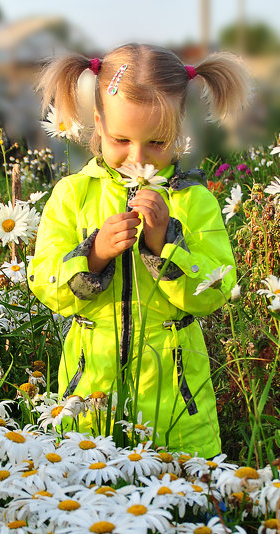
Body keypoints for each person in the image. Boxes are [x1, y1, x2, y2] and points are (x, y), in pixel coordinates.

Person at [27, 43, 250, 457]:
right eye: (121, 139)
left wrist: (166, 246)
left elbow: (217, 291)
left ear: (180, 132)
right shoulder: (72, 195)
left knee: (183, 510)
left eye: (157, 143)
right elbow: (45, 283)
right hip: (88, 403)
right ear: (97, 124)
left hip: (178, 410)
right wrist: (92, 258)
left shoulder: (194, 201)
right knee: (89, 508)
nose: (138, 158)